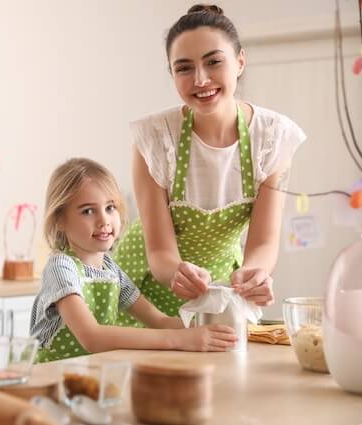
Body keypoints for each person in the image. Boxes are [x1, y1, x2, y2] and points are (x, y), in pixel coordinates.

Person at [113, 4, 306, 326]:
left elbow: (263, 242)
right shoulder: (155, 137)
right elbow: (159, 249)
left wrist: (254, 274)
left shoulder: (272, 136)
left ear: (240, 61)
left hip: (219, 285)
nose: (200, 80)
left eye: (214, 62)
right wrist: (175, 270)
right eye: (184, 68)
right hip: (142, 283)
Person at [29, 158, 237, 362]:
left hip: (90, 374)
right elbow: (92, 337)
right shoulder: (61, 268)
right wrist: (181, 339)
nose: (104, 221)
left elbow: (160, 321)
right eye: (88, 211)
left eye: (110, 208)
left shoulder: (112, 271)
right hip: (51, 376)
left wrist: (206, 330)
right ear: (59, 221)